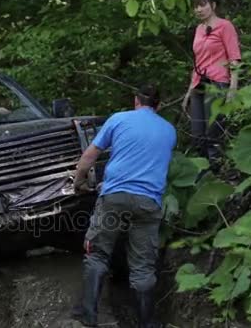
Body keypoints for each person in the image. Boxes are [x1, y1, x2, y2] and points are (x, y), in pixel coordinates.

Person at [71, 85, 176, 327]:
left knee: (97, 252)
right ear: (158, 106)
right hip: (149, 202)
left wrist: (79, 183)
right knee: (143, 266)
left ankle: (87, 315)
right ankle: (146, 322)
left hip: (115, 196)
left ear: (136, 101)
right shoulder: (169, 131)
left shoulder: (118, 119)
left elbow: (88, 157)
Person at [181, 0, 241, 169]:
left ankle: (219, 175)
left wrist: (233, 88)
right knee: (197, 135)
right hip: (199, 85)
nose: (199, 9)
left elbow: (234, 57)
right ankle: (203, 175)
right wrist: (188, 93)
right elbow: (198, 62)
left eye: (203, 4)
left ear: (213, 5)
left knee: (213, 134)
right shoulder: (199, 30)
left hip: (217, 84)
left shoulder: (225, 26)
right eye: (195, 6)